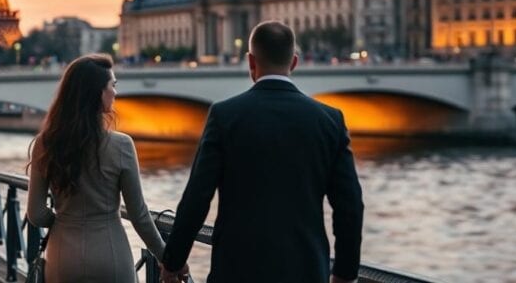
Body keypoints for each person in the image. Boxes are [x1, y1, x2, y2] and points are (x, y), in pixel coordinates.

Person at [160, 21, 364, 283]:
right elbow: (350, 207)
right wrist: (345, 273)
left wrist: (173, 261)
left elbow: (196, 198)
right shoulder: (329, 120)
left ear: (250, 62)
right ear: (293, 63)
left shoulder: (225, 116)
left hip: (236, 270)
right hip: (305, 270)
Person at [25, 54, 164, 282]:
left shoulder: (45, 143)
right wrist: (166, 258)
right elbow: (139, 215)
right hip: (110, 254)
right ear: (98, 93)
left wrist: (64, 222)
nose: (116, 93)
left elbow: (36, 214)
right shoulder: (121, 145)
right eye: (113, 85)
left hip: (63, 256)